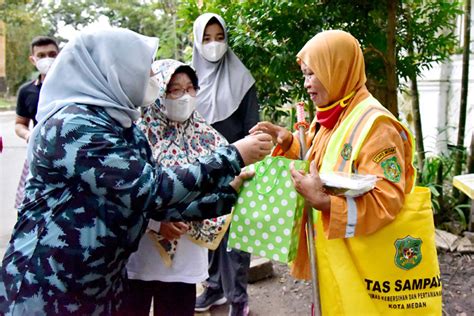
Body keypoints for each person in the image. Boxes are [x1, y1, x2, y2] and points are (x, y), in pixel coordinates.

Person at [0, 27, 273, 315]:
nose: (153, 79)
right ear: (114, 71)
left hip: (100, 285)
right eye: (146, 71)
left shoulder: (122, 126)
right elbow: (152, 189)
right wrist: (234, 154)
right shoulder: (73, 126)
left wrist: (228, 192)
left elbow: (157, 204)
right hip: (48, 287)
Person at [250, 30, 441, 315]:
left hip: (367, 272)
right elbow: (320, 161)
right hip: (337, 262)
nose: (307, 85)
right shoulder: (332, 113)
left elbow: (387, 200)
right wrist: (289, 141)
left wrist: (325, 203)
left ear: (337, 68)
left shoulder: (376, 126)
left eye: (313, 74)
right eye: (305, 75)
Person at [124, 59, 232, 316]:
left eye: (190, 88)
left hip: (185, 258)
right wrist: (156, 223)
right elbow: (125, 193)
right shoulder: (136, 137)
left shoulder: (208, 135)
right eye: (175, 89)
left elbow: (223, 184)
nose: (185, 96)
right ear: (159, 91)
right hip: (139, 255)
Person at [192, 13, 259, 316]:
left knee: (235, 235)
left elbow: (251, 126)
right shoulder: (188, 79)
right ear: (196, 41)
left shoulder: (242, 78)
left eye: (219, 37)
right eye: (206, 38)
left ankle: (239, 298)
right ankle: (214, 288)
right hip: (203, 167)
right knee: (207, 229)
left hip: (237, 164)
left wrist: (246, 161)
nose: (213, 44)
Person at [14, 36, 59, 209]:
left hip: (68, 152)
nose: (47, 58)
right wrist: (28, 134)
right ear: (32, 59)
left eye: (52, 54)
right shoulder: (27, 91)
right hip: (38, 153)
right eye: (41, 55)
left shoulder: (73, 87)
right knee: (33, 204)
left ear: (59, 54)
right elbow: (19, 123)